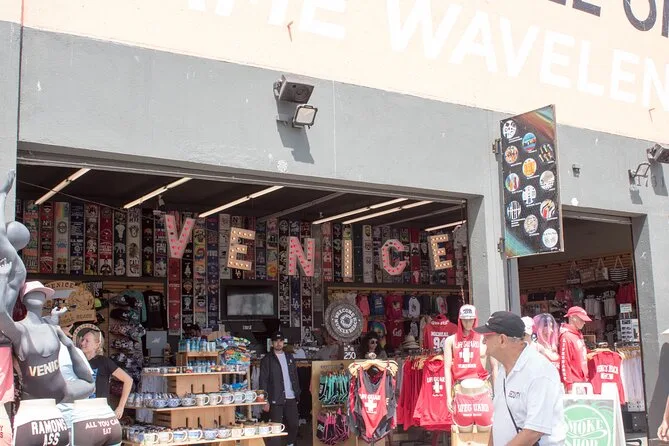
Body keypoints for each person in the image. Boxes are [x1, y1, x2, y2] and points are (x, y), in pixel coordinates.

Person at [474, 311, 565, 445]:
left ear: (502, 340)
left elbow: (534, 431)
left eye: (487, 337)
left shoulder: (540, 372)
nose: (483, 341)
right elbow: (499, 420)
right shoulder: (503, 370)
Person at [78, 327, 134, 418]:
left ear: (97, 344)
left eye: (87, 341)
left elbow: (128, 380)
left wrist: (120, 407)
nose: (82, 343)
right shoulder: (79, 362)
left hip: (101, 413)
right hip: (83, 412)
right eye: (82, 340)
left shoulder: (103, 361)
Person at [259, 332, 300, 446]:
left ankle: (290, 444)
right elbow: (263, 381)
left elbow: (295, 376)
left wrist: (297, 392)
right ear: (272, 343)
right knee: (276, 428)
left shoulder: (289, 357)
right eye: (276, 341)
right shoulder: (267, 359)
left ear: (283, 342)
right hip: (275, 397)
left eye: (281, 341)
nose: (278, 343)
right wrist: (264, 400)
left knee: (294, 424)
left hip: (291, 396)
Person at [558, 306, 591, 393]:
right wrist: (569, 386)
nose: (584, 322)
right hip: (574, 384)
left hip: (583, 381)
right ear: (572, 317)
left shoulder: (578, 334)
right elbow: (565, 362)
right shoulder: (566, 336)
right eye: (581, 319)